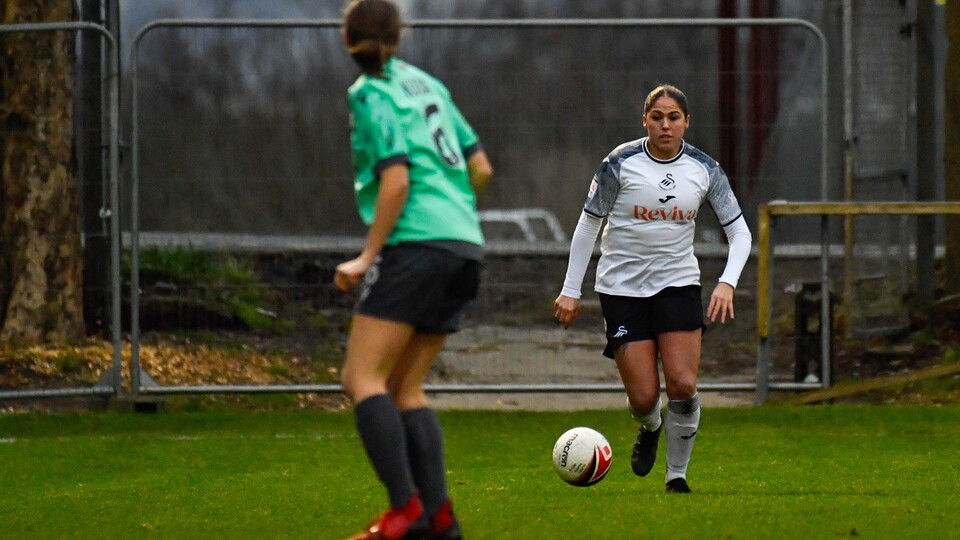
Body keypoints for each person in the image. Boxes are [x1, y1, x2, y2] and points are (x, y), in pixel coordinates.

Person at [335, 1, 493, 539]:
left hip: (418, 245)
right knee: (405, 387)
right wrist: (452, 211)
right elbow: (480, 167)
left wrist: (367, 256)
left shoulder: (369, 93)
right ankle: (439, 518)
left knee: (361, 378)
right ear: (399, 38)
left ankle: (404, 511)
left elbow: (397, 180)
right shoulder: (428, 85)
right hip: (464, 245)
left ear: (346, 38)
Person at [553, 85, 751, 494]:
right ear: (645, 120)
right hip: (621, 289)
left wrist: (727, 282)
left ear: (686, 122)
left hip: (678, 284)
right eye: (657, 117)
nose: (665, 125)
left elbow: (740, 233)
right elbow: (589, 224)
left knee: (682, 384)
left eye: (673, 117)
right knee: (644, 398)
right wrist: (571, 289)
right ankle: (650, 426)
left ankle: (676, 475)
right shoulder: (619, 163)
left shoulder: (705, 169)